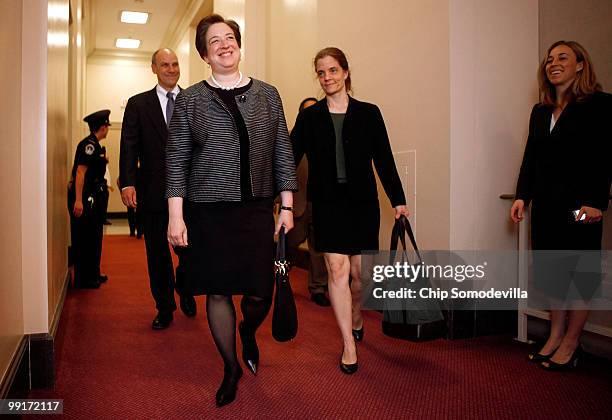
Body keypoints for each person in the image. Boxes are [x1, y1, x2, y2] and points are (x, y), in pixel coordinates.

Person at [166, 14, 297, 407]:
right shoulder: (190, 99)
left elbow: (282, 152)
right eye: (214, 41)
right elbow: (176, 161)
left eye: (229, 37)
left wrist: (286, 205)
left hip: (256, 210)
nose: (224, 44)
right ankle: (230, 367)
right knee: (218, 292)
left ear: (238, 44)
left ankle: (249, 332)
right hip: (208, 212)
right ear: (205, 54)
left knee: (261, 293)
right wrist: (176, 215)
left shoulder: (268, 94)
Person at [292, 47, 409, 374]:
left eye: (332, 70)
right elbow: (288, 155)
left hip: (362, 205)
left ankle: (357, 313)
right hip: (327, 205)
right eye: (321, 72)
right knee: (336, 270)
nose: (327, 77)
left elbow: (384, 159)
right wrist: (279, 196)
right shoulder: (310, 117)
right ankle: (348, 343)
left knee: (361, 275)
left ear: (345, 72)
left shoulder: (369, 113)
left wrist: (398, 199)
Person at [511, 40, 611, 371]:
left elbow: (604, 158)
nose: (553, 63)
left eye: (562, 57)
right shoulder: (540, 112)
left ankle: (571, 342)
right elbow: (531, 158)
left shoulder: (600, 105)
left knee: (579, 277)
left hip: (582, 205)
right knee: (553, 274)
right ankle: (554, 337)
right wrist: (522, 196)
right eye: (550, 59)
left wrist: (596, 202)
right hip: (547, 206)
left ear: (581, 64)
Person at [119, 48, 197, 330]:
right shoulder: (138, 104)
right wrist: (127, 181)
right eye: (164, 64)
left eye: (175, 64)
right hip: (152, 192)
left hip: (190, 193)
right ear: (153, 68)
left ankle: (187, 289)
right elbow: (128, 144)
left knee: (189, 251)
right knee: (157, 253)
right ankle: (164, 307)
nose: (171, 69)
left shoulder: (194, 100)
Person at [287, 97, 331, 307]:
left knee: (318, 248)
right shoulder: (292, 141)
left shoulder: (327, 142)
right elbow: (282, 171)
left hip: (321, 203)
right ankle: (282, 277)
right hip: (298, 204)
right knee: (290, 245)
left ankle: (318, 288)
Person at [68, 110, 112, 289]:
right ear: (103, 127)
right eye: (107, 126)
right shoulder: (90, 145)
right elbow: (80, 172)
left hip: (92, 196)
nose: (108, 129)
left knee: (94, 236)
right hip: (85, 197)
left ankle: (93, 273)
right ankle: (84, 278)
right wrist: (78, 200)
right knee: (85, 238)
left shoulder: (94, 145)